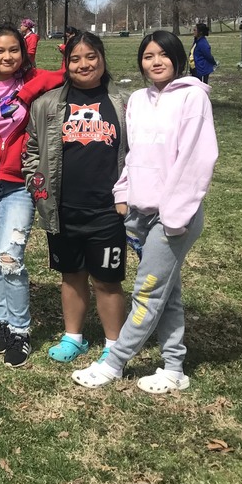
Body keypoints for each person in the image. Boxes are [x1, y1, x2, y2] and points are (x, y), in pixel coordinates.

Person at [72, 31, 217, 393]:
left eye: (163, 55)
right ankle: (173, 367)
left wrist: (174, 215)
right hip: (140, 212)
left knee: (148, 290)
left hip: (174, 218)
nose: (155, 61)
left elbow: (197, 160)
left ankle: (114, 363)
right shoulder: (137, 99)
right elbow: (133, 153)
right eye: (148, 56)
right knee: (168, 291)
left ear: (178, 59)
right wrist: (124, 191)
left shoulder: (193, 98)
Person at [22, 32, 129, 365]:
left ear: (102, 58)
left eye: (91, 56)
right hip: (63, 210)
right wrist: (37, 188)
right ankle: (74, 337)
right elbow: (31, 152)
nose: (84, 64)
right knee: (71, 275)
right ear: (66, 64)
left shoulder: (125, 104)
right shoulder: (47, 105)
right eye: (75, 59)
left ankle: (115, 343)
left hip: (109, 211)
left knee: (108, 280)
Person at [0, 24, 64, 367]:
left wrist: (42, 78)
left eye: (14, 50)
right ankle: (2, 323)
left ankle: (21, 331)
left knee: (11, 257)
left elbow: (63, 76)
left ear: (23, 53)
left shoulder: (31, 83)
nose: (7, 56)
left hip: (18, 183)